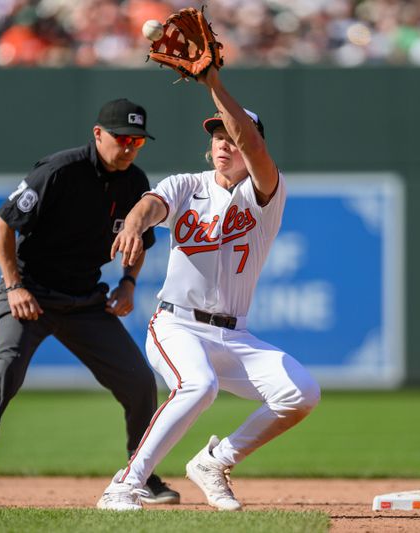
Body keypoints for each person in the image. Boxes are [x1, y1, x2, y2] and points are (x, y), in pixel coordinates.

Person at [96, 66, 321, 512]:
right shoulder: (187, 186)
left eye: (233, 134)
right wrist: (135, 226)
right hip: (176, 323)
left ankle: (215, 461)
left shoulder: (266, 193)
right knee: (198, 386)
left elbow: (253, 143)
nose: (225, 141)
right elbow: (148, 204)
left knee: (301, 392)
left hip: (233, 334)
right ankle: (124, 485)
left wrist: (213, 83)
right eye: (217, 134)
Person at [0, 98, 178, 507]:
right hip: (32, 291)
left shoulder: (135, 181)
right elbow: (1, 223)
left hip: (85, 299)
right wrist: (14, 287)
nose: (130, 147)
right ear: (98, 134)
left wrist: (129, 283)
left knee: (138, 380)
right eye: (122, 138)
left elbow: (140, 241)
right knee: (5, 365)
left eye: (138, 140)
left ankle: (142, 475)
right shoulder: (60, 171)